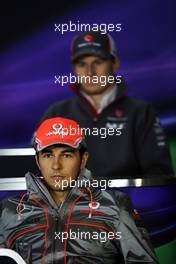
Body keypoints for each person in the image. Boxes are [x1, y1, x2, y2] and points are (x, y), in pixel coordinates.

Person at [0, 117, 158, 263]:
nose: (56, 166)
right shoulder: (8, 210)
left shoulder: (115, 205)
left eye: (66, 155)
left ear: (83, 159)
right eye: (48, 155)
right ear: (37, 160)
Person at [41, 31, 173, 179]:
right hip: (71, 202)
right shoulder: (56, 113)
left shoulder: (141, 112)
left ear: (115, 64)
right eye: (82, 64)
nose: (90, 72)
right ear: (74, 68)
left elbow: (159, 177)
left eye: (98, 62)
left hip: (129, 201)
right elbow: (38, 173)